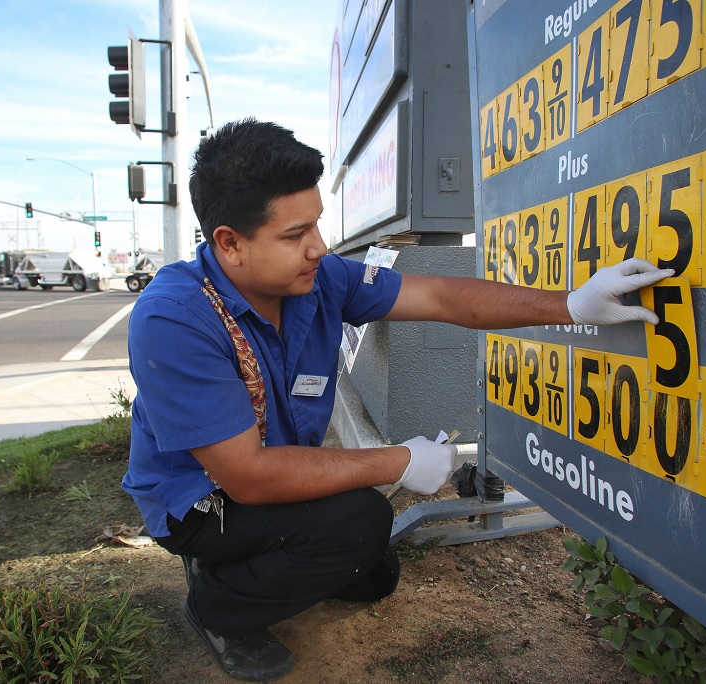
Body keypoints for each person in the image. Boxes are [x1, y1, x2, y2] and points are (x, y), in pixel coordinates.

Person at [122, 118, 673, 682]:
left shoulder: (316, 279)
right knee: (359, 523)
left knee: (373, 573)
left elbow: (438, 296)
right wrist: (400, 461)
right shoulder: (176, 317)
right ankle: (216, 604)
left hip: (269, 477)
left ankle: (249, 565)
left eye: (315, 224)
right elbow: (249, 477)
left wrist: (572, 306)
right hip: (205, 502)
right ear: (230, 244)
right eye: (294, 235)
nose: (318, 247)